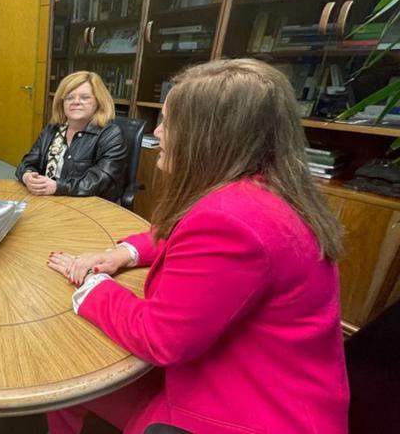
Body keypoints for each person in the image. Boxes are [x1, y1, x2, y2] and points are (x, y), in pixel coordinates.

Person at [45, 59, 349, 433]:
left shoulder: (230, 220)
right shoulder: (266, 188)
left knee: (68, 382)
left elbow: (160, 339)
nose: (157, 132)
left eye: (169, 122)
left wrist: (91, 287)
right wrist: (123, 253)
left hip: (245, 410)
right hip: (287, 387)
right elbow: (179, 234)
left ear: (210, 135)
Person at [16, 71, 127, 201]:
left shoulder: (111, 134)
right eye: (69, 97)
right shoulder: (53, 129)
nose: (76, 102)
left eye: (85, 97)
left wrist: (58, 187)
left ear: (99, 101)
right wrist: (27, 176)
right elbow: (28, 162)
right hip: (49, 198)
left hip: (90, 204)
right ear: (62, 103)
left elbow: (100, 181)